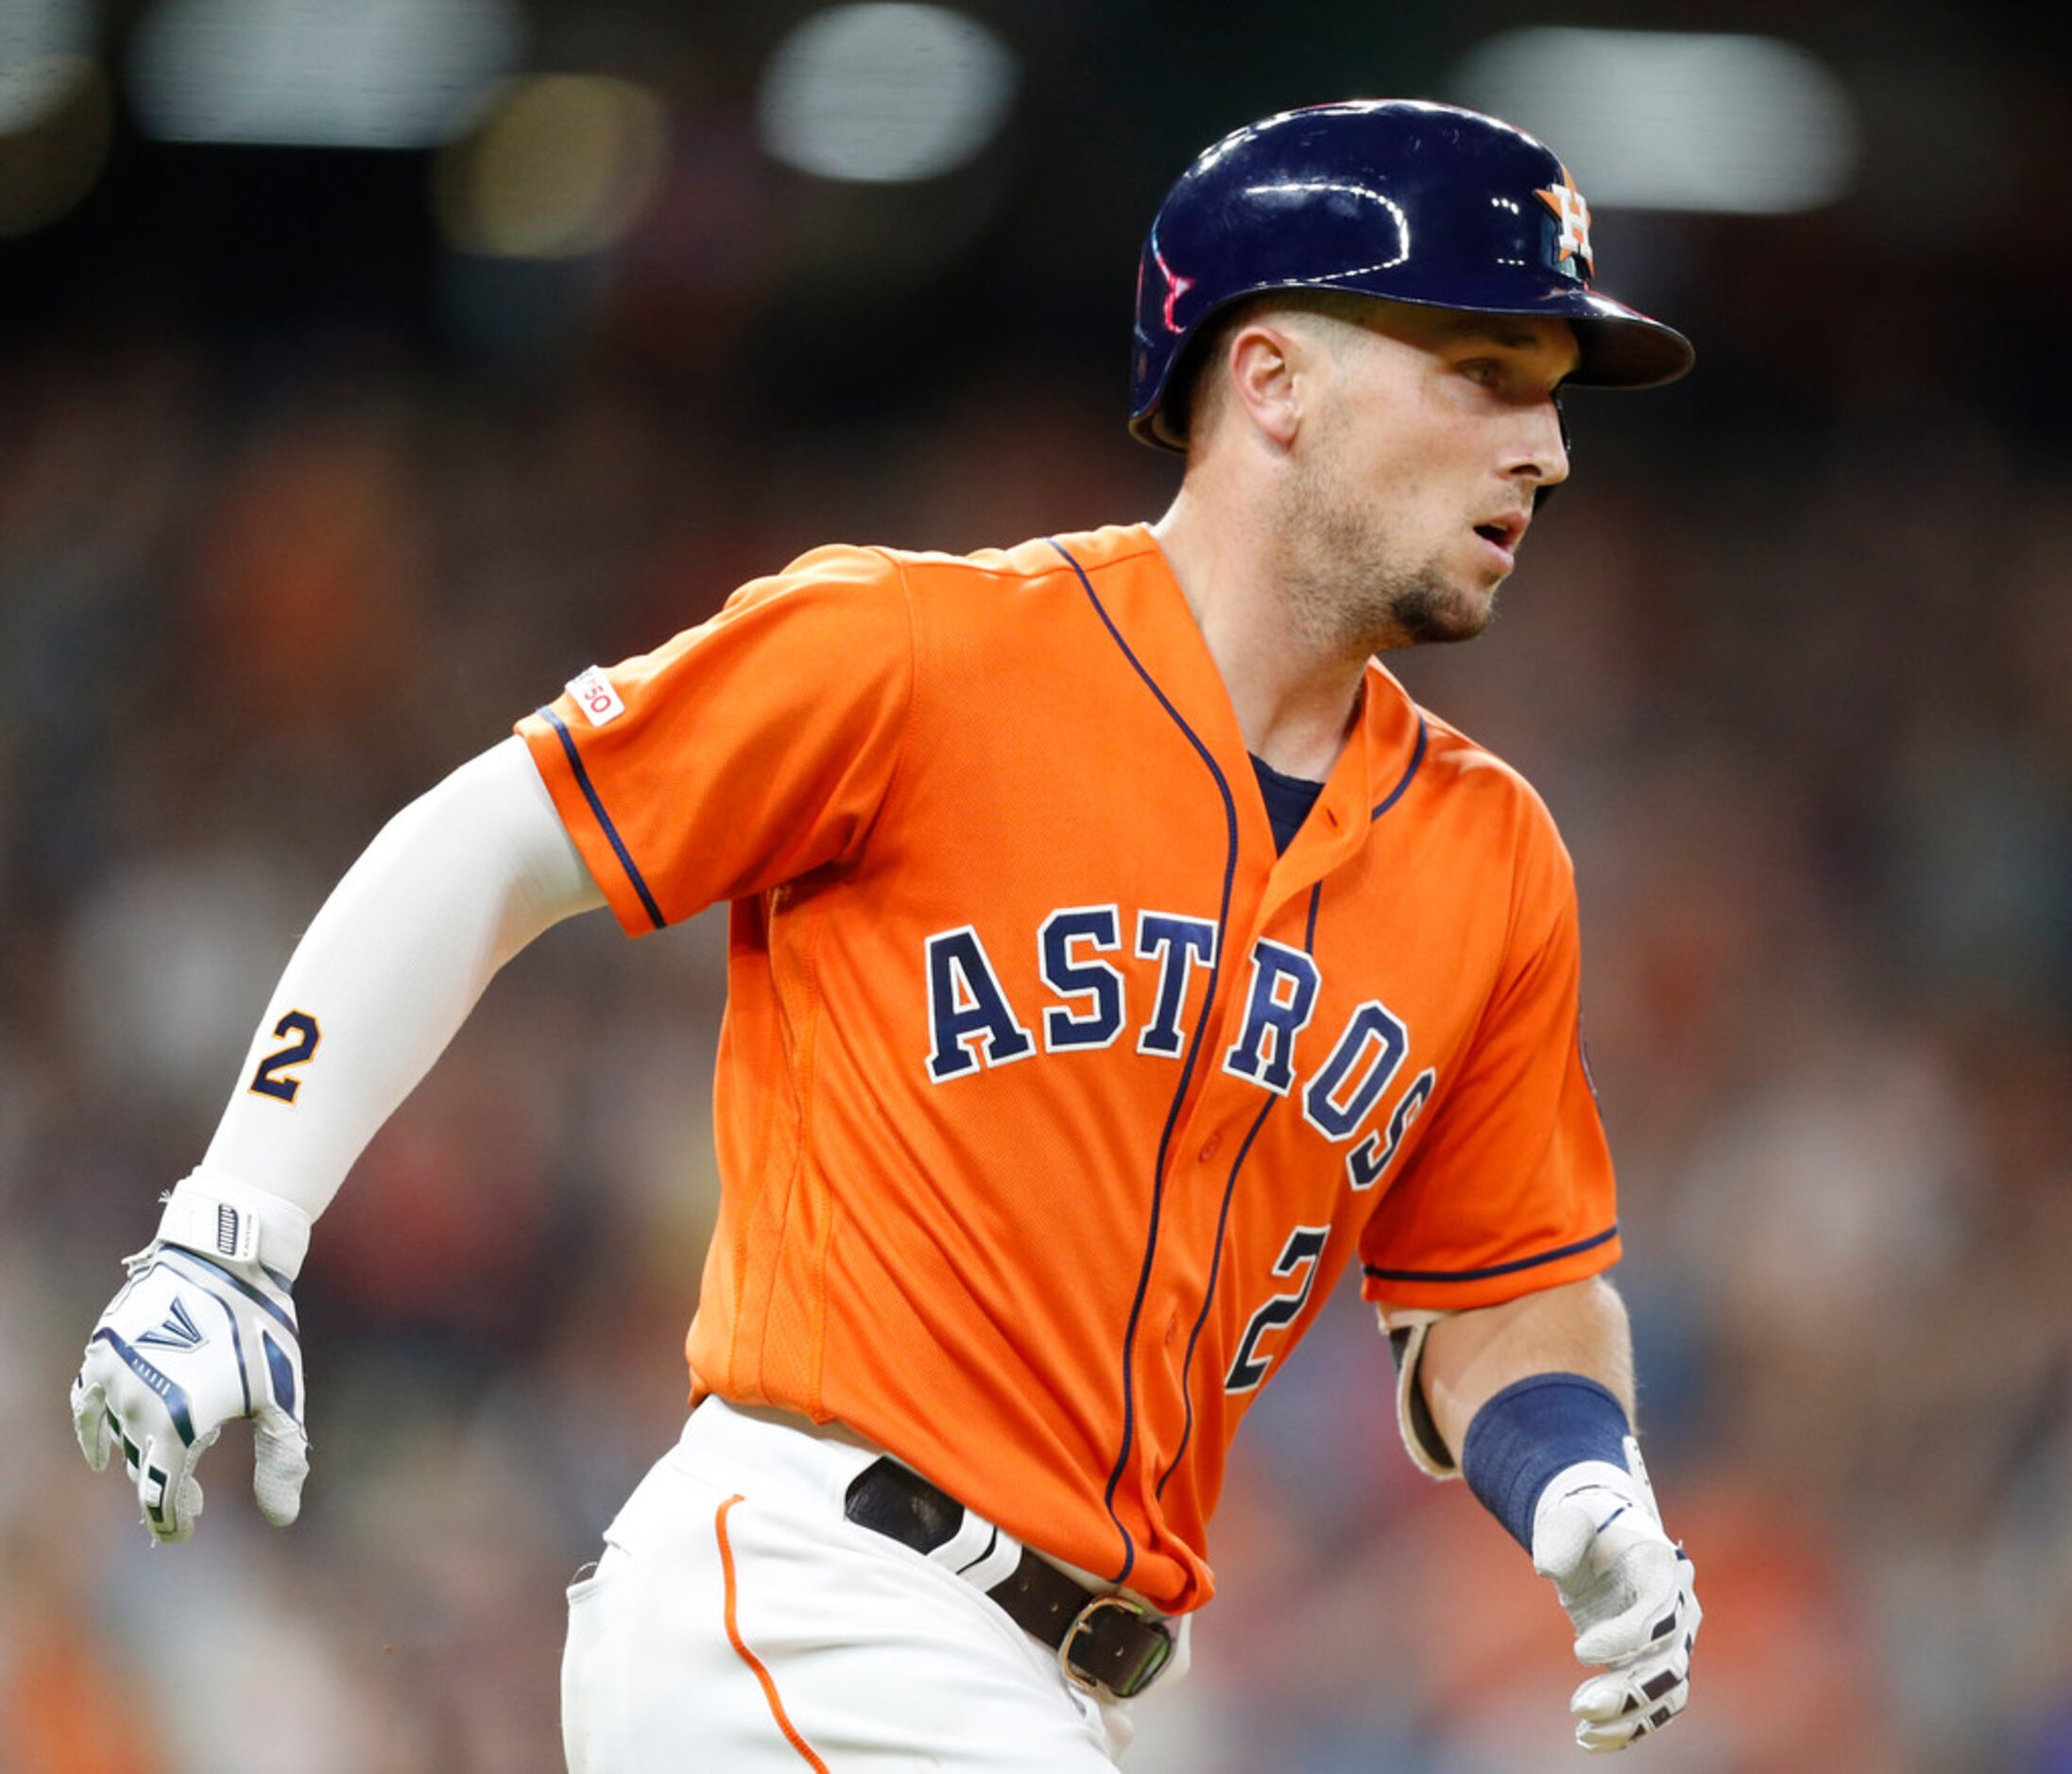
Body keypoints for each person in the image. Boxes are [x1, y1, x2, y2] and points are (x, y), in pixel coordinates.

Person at [73, 100, 1703, 1766]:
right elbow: (491, 838)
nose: (1545, 450)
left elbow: (1500, 1287)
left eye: (1551, 397)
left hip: (1060, 1678)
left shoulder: (1488, 853)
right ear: (1271, 379)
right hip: (812, 1594)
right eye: (1484, 374)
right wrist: (231, 1225)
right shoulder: (921, 655)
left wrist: (1582, 1474)